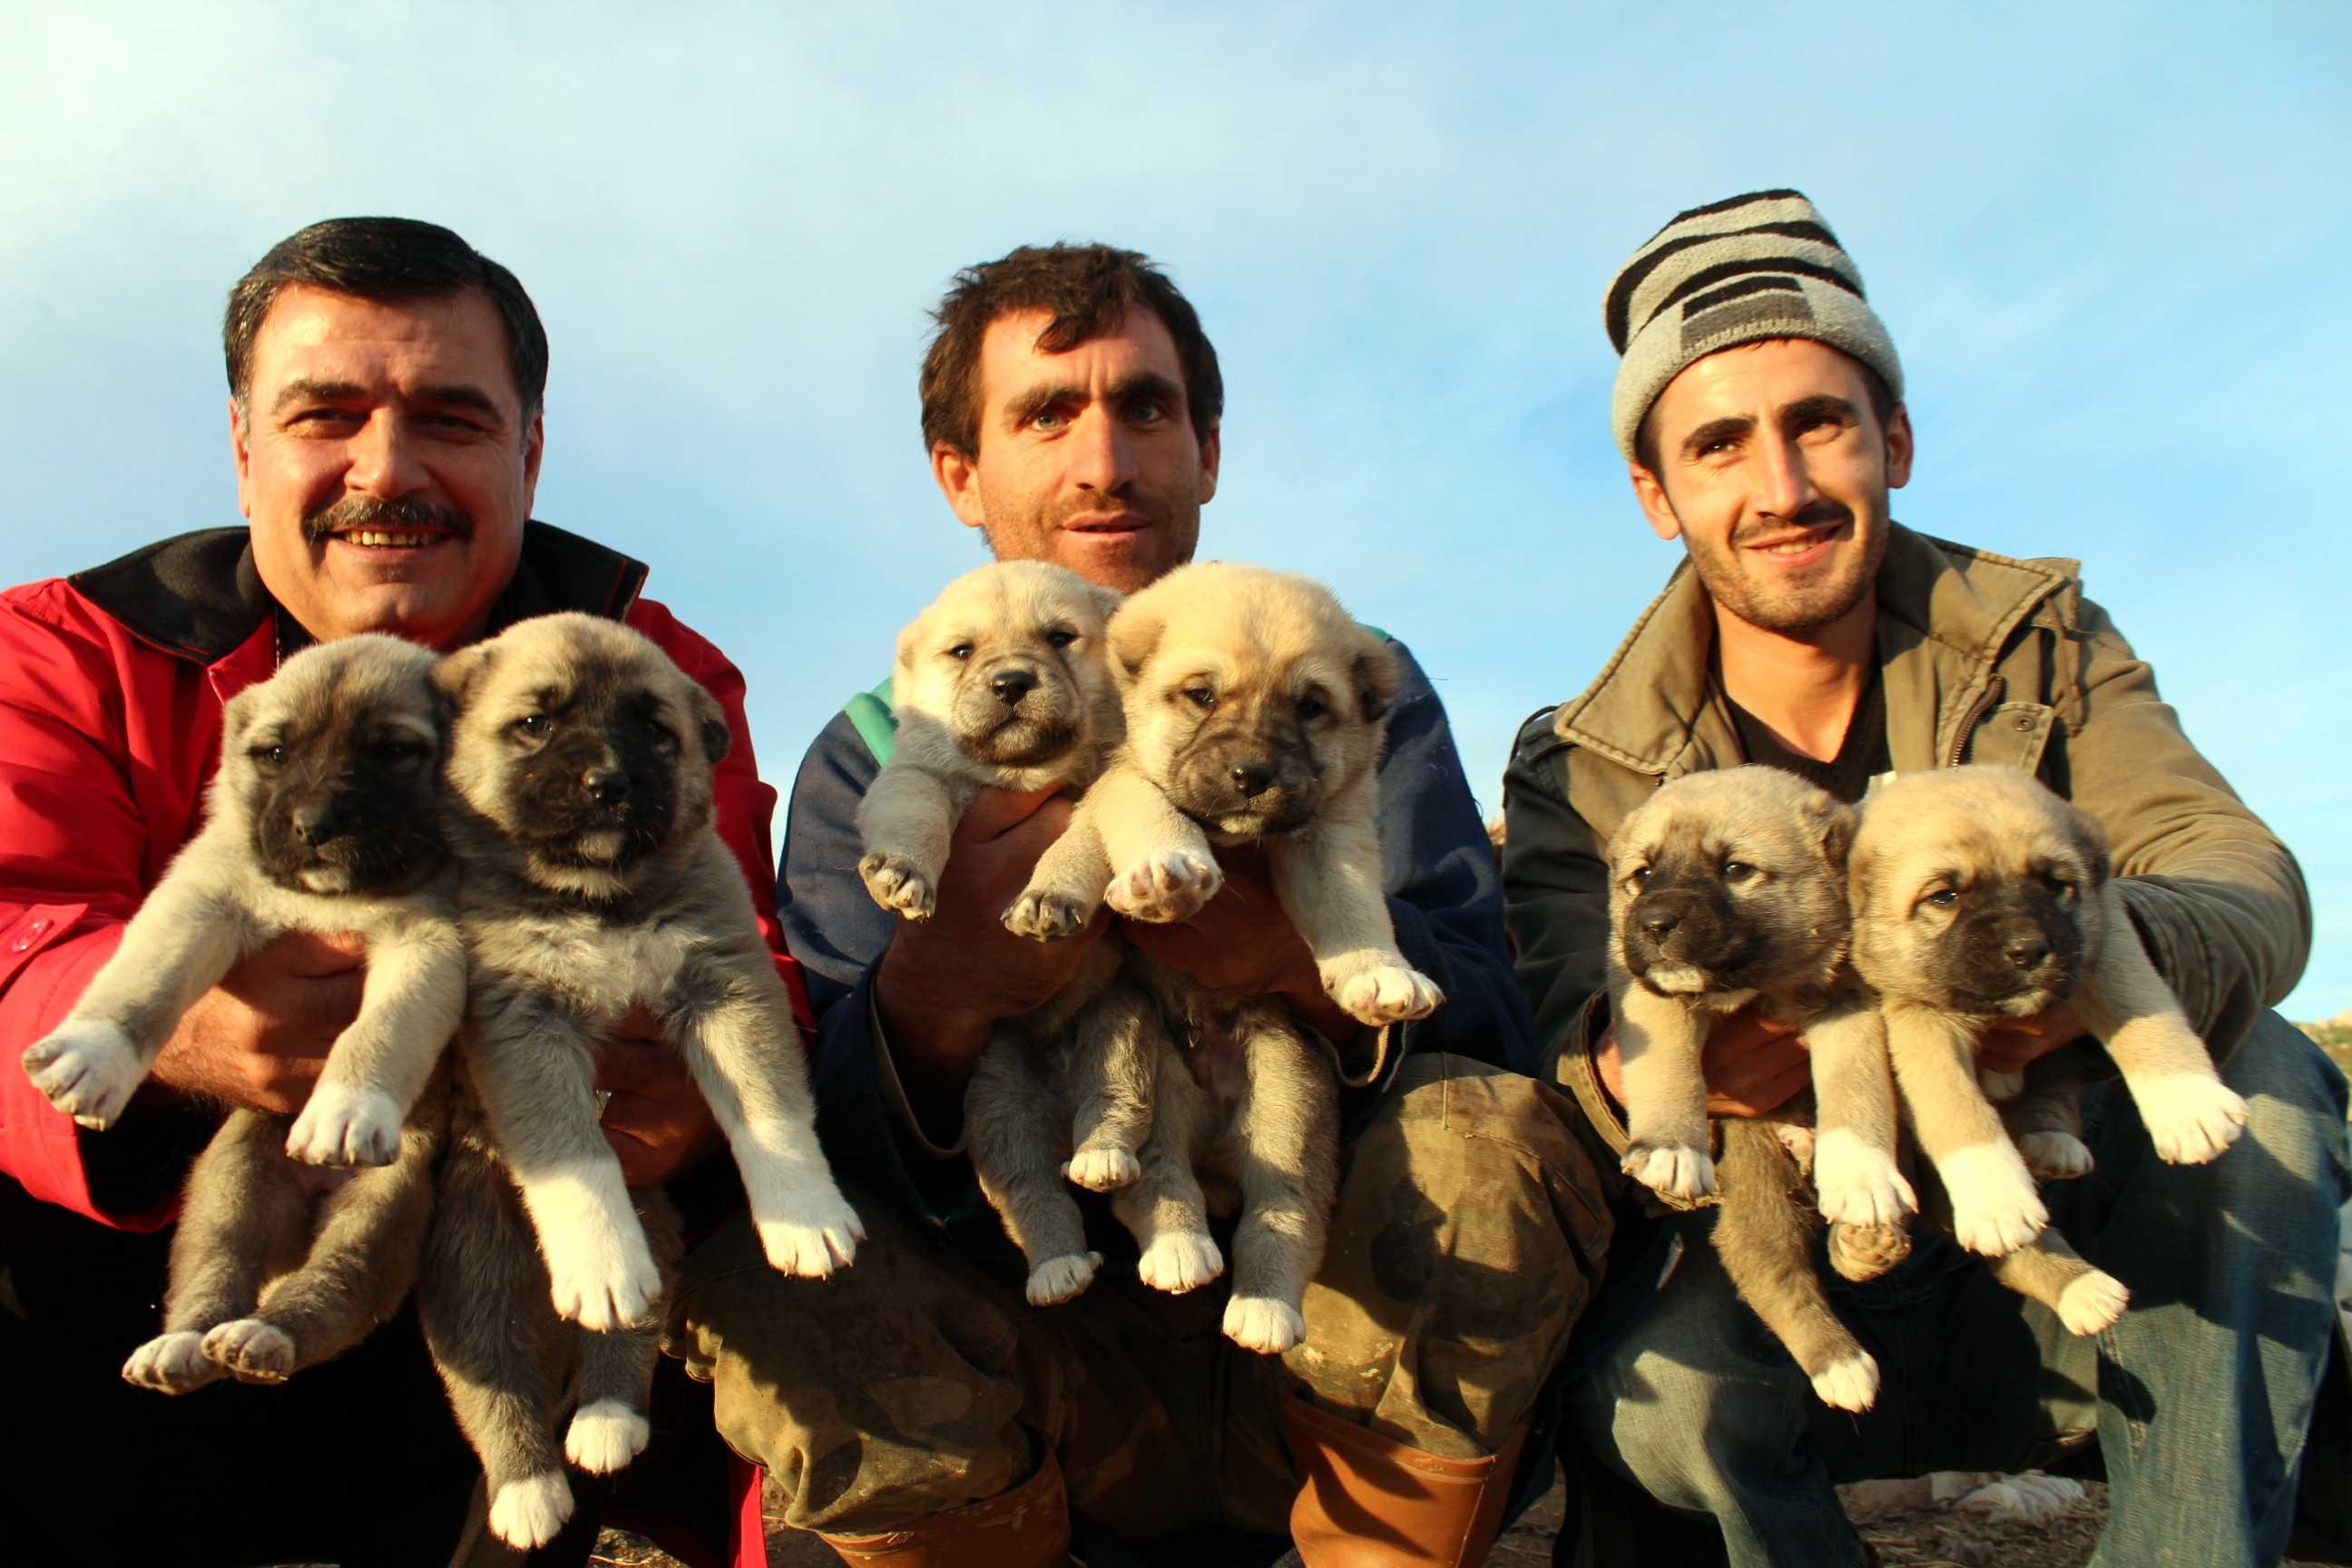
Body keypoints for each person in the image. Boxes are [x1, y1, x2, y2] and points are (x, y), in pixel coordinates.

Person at [665, 243, 1610, 1568]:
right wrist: (938, 992)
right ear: (960, 474)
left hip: (1322, 1325)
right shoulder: (880, 746)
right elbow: (818, 1120)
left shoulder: (1340, 685)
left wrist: (1281, 954)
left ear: (1208, 454)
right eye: (1045, 415)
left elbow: (1491, 1019)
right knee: (786, 1257)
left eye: (1146, 409)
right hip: (1037, 1353)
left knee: (1489, 1134)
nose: (1103, 458)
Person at [1501, 189, 2350, 1568]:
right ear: (1658, 496)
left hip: (2053, 1201)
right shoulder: (1585, 760)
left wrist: (2056, 987)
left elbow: (2237, 870)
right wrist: (1679, 1067)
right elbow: (1559, 1037)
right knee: (1668, 1413)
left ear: (1892, 436)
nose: (1779, 488)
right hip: (1786, 1244)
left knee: (2269, 1085)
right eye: (1717, 445)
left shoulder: (2045, 647)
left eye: (1819, 422)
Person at [0, 216, 785, 1568]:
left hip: (519, 1256)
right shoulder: (67, 652)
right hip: (112, 1305)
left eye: (450, 418)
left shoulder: (650, 674)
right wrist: (164, 1029)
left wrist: (669, 1094)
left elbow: (743, 961)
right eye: (327, 415)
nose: (386, 468)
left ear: (528, 453)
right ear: (243, 446)